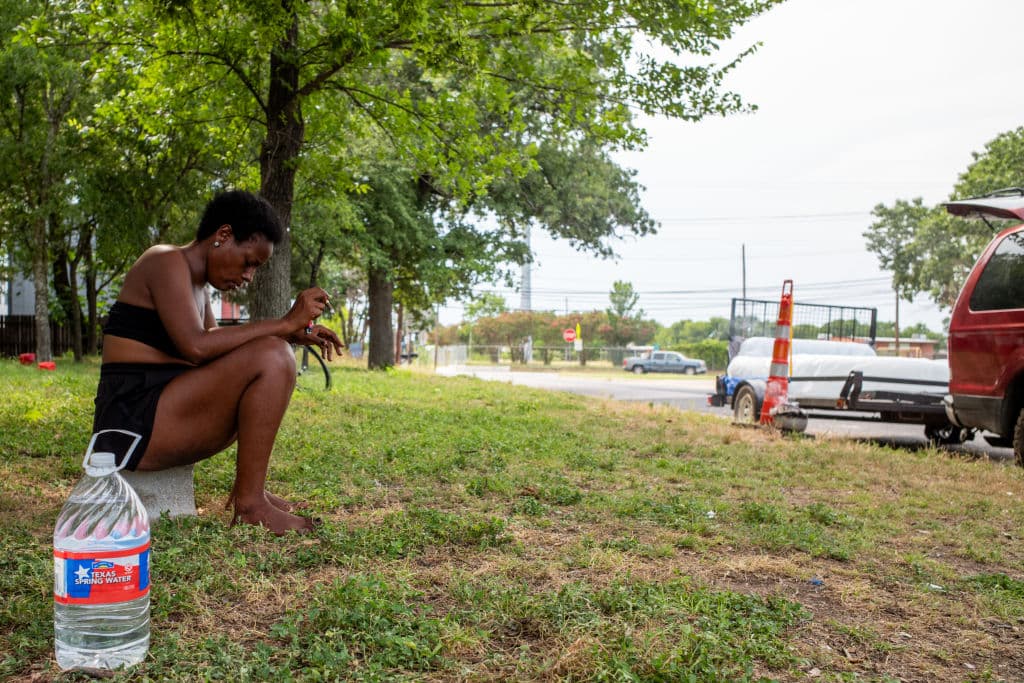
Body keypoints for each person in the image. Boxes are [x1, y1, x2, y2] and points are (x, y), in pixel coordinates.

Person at [93, 190, 343, 534]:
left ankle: (251, 493)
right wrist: (283, 325)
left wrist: (289, 334)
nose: (249, 277)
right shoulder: (164, 260)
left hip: (160, 413)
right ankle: (250, 504)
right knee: (273, 355)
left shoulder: (197, 283)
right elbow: (197, 348)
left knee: (274, 350)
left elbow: (216, 348)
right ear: (223, 236)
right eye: (249, 262)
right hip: (131, 423)